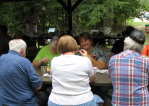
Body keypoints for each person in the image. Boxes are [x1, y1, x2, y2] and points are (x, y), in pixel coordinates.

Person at [48, 35, 104, 106]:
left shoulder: (54, 60)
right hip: (83, 101)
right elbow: (92, 79)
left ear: (59, 47)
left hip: (56, 102)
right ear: (75, 45)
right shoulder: (85, 60)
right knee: (99, 98)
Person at [108, 30, 149, 105]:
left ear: (126, 43)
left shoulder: (113, 59)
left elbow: (111, 77)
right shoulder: (146, 61)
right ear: (142, 47)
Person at [0, 39, 42, 106]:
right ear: (22, 50)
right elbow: (38, 86)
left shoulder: (1, 58)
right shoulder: (24, 61)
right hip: (24, 103)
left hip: (4, 102)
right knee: (43, 96)